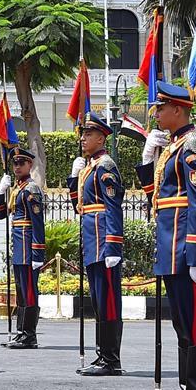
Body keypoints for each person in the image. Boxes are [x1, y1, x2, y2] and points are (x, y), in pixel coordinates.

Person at [138, 82, 196, 390]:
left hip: (188, 251)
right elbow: (156, 198)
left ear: (178, 110)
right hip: (171, 250)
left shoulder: (194, 146)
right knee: (183, 325)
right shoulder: (173, 147)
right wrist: (146, 160)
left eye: (160, 108)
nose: (155, 113)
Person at [68, 113, 124, 376]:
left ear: (101, 137)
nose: (82, 138)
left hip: (104, 242)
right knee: (98, 300)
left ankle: (111, 359)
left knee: (108, 300)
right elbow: (80, 206)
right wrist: (73, 177)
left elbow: (113, 208)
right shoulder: (90, 167)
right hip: (92, 241)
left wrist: (113, 245)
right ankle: (102, 354)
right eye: (83, 133)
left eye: (88, 134)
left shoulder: (106, 166)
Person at [0, 147, 45, 349]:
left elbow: (37, 223)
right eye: (14, 163)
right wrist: (0, 193)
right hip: (19, 248)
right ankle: (21, 332)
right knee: (22, 291)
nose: (17, 167)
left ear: (29, 165)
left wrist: (37, 252)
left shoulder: (31, 190)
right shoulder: (17, 189)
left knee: (29, 291)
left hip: (28, 248)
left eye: (21, 163)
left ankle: (29, 335)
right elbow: (0, 215)